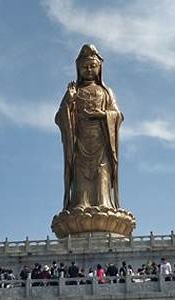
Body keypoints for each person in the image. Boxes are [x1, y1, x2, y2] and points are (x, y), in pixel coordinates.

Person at [55, 44, 123, 211]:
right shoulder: (74, 90)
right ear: (78, 69)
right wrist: (68, 101)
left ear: (99, 68)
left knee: (102, 171)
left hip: (102, 141)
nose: (89, 70)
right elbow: (59, 117)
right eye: (85, 66)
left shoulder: (106, 92)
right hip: (80, 141)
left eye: (93, 66)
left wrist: (103, 115)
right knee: (80, 172)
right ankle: (81, 203)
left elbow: (117, 114)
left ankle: (104, 203)